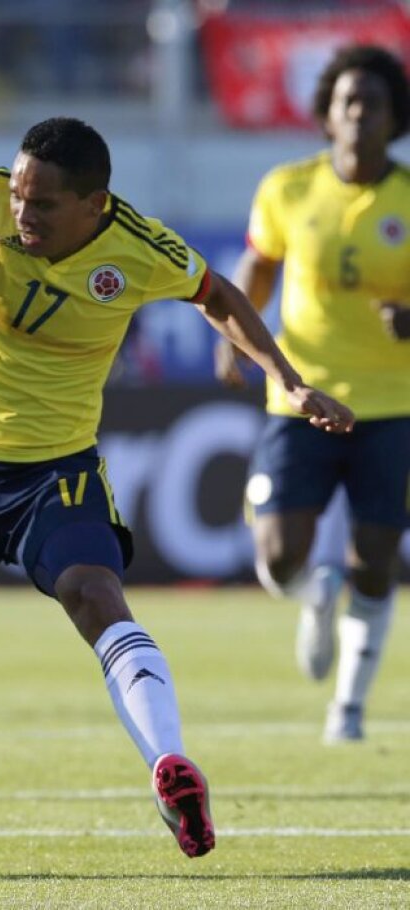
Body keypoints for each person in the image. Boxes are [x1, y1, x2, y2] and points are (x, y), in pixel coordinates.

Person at [0, 117, 355, 860]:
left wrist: (288, 380)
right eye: (20, 196)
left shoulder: (139, 249)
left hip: (56, 471)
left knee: (95, 592)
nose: (23, 213)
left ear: (95, 204)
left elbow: (217, 295)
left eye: (43, 204)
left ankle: (169, 766)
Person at [215, 44, 410, 744]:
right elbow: (258, 268)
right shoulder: (288, 188)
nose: (359, 114)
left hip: (392, 404)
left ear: (394, 118)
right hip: (302, 396)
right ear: (327, 114)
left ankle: (348, 709)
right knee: (278, 556)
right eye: (347, 102)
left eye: (373, 104)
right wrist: (235, 338)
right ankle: (313, 595)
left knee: (375, 559)